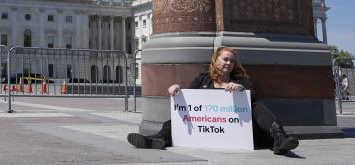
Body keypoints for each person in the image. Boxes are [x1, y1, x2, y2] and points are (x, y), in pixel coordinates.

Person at [127, 47, 299, 155]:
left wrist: (241, 90)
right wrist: (176, 88)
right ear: (215, 60)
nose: (229, 63)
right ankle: (156, 140)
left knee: (258, 106)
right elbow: (188, 99)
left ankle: (280, 138)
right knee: (173, 122)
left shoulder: (241, 80)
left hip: (240, 131)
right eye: (225, 59)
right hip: (206, 129)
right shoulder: (203, 80)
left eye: (232, 61)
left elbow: (252, 96)